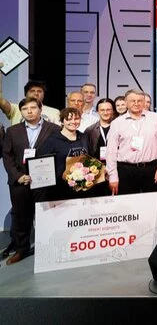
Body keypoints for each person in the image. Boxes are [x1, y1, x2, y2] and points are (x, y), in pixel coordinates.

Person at [1, 97, 60, 264]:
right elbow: (7, 156)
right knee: (21, 217)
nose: (29, 111)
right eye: (25, 109)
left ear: (40, 109)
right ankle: (22, 249)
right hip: (20, 181)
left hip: (45, 181)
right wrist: (18, 176)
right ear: (21, 112)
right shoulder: (12, 131)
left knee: (45, 216)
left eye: (33, 108)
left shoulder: (54, 129)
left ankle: (46, 247)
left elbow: (58, 153)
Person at [105, 89, 157, 195]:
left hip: (152, 169)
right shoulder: (117, 123)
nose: (136, 103)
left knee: (153, 202)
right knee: (127, 203)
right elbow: (111, 151)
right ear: (126, 102)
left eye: (139, 101)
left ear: (144, 102)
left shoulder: (156, 118)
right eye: (133, 101)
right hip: (125, 170)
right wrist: (113, 176)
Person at [38, 107, 92, 200]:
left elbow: (90, 158)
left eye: (76, 118)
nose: (73, 122)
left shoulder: (84, 137)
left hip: (82, 188)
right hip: (59, 189)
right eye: (69, 119)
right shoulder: (52, 140)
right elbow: (43, 164)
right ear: (62, 121)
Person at [84, 98, 116, 197]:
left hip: (117, 170)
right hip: (97, 172)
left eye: (108, 109)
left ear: (113, 110)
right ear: (97, 111)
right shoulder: (90, 130)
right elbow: (87, 154)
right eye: (102, 110)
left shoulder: (119, 127)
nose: (105, 112)